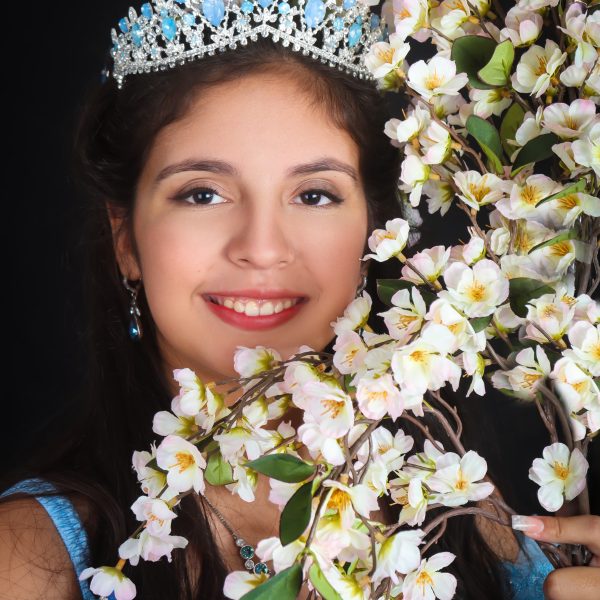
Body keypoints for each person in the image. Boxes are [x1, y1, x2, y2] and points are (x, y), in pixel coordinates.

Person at [0, 0, 598, 599]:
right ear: (125, 239)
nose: (262, 248)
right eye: (203, 194)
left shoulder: (455, 506)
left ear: (372, 231)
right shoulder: (32, 559)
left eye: (314, 195)